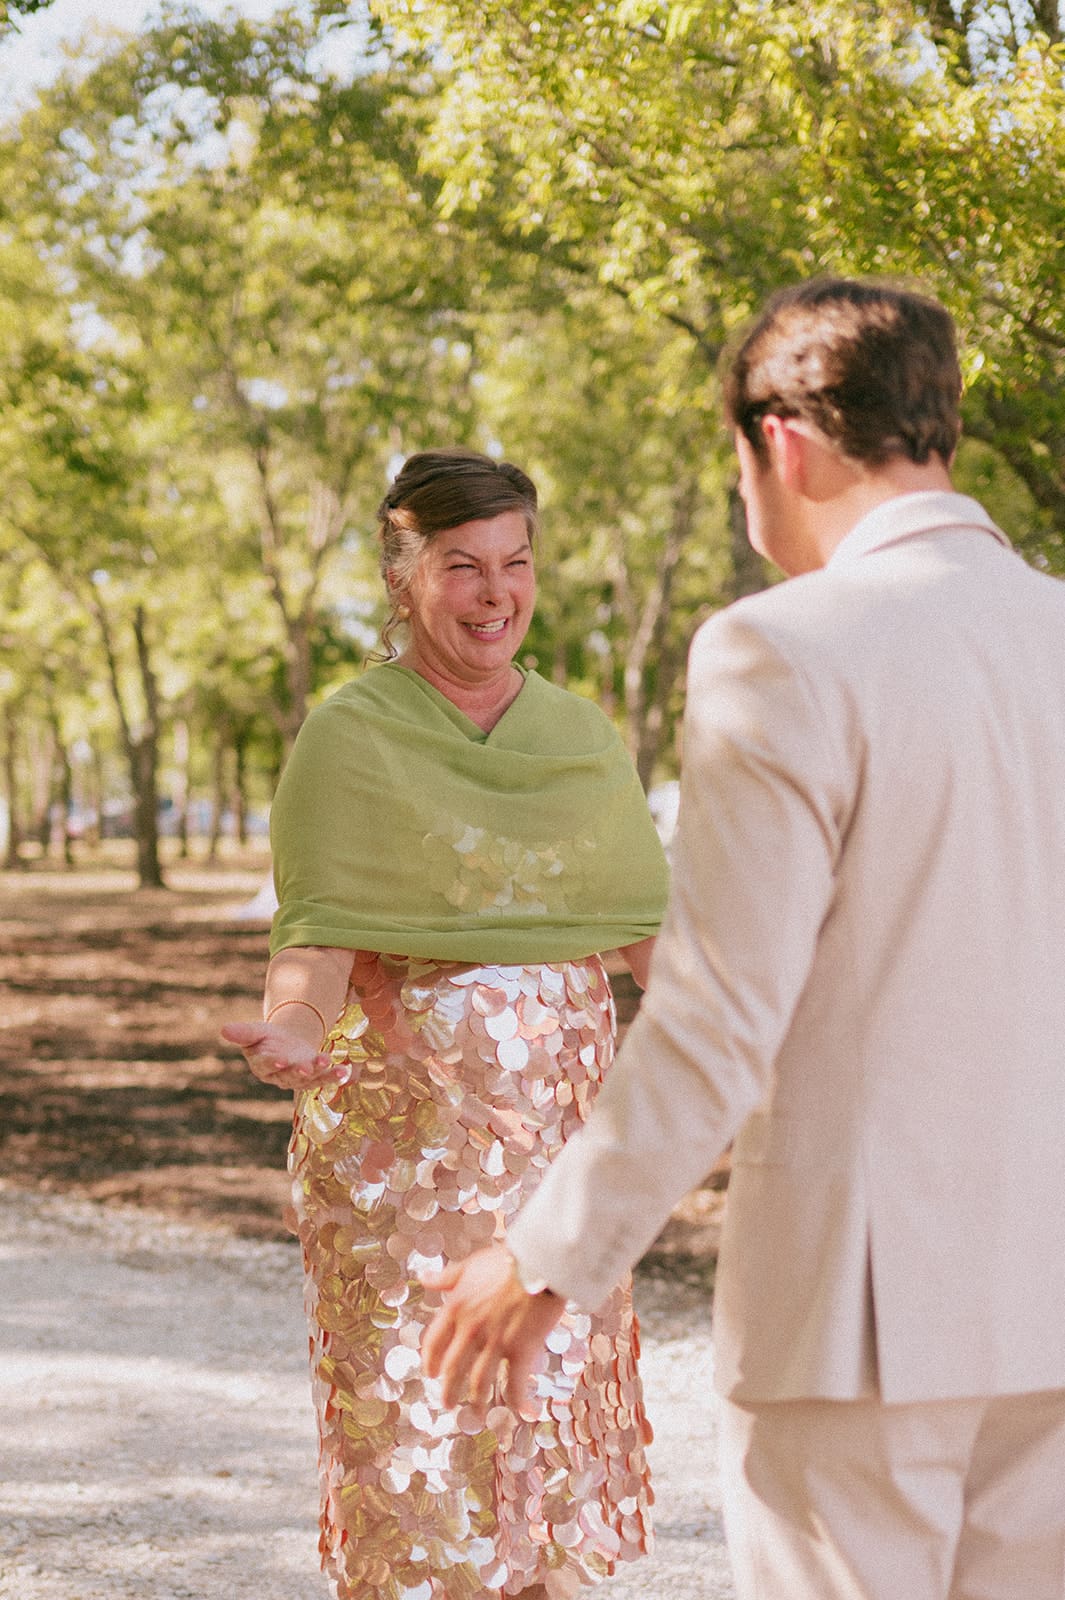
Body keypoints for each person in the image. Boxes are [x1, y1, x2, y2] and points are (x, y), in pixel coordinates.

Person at [423, 280, 1065, 1600]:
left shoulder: (781, 651)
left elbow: (718, 1019)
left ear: (781, 441)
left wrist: (547, 1258)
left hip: (860, 1325)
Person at [221, 447, 668, 1600]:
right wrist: (293, 1027)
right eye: (463, 565)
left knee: (548, 1442)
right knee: (419, 1452)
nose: (495, 592)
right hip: (400, 1167)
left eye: (516, 562)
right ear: (402, 574)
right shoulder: (349, 734)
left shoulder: (581, 738)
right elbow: (318, 934)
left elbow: (659, 950)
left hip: (559, 1161)